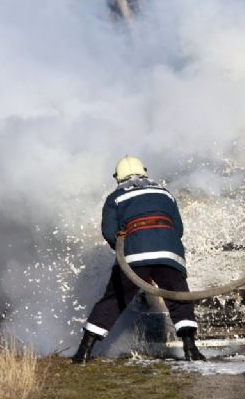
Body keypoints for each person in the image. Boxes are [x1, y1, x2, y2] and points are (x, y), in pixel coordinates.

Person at [71, 156, 205, 364]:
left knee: (114, 300)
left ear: (119, 177)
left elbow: (109, 232)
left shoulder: (115, 197)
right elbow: (178, 229)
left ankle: (83, 353)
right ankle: (191, 349)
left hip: (133, 255)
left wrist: (125, 246)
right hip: (168, 253)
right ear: (144, 172)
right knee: (180, 298)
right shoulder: (165, 193)